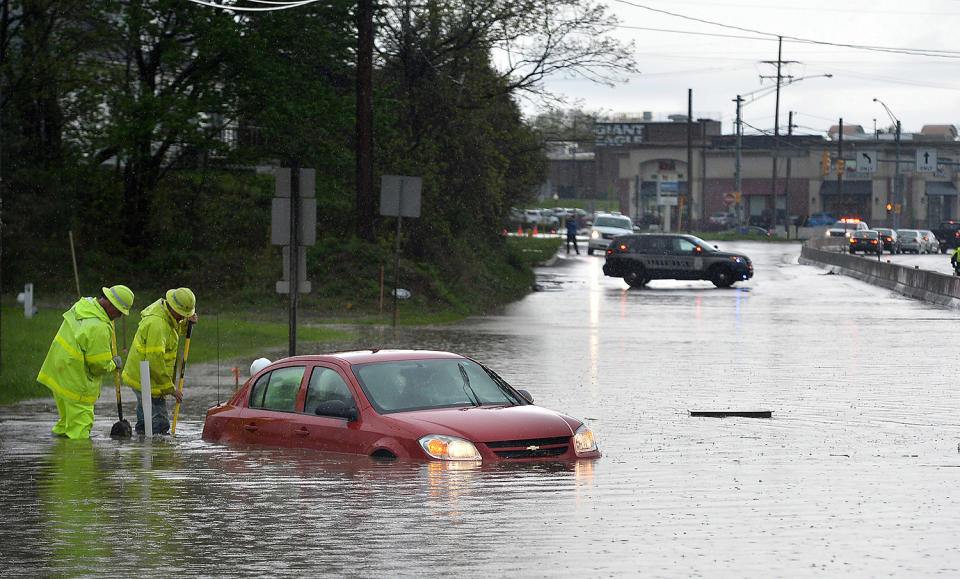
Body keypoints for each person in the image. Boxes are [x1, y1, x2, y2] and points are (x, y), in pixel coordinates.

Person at [36, 285, 135, 439]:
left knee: (65, 424)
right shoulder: (99, 327)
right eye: (120, 311)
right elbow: (98, 366)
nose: (121, 316)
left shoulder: (84, 306)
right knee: (80, 432)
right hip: (76, 382)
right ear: (110, 304)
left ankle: (57, 454)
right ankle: (78, 463)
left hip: (59, 372)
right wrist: (113, 363)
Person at [122, 287, 198, 435]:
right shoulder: (157, 324)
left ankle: (142, 444)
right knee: (160, 425)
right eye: (182, 314)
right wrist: (171, 389)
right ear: (173, 307)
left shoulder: (164, 313)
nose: (182, 317)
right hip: (148, 379)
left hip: (142, 376)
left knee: (145, 419)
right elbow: (155, 362)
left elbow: (171, 331)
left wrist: (186, 324)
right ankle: (159, 454)